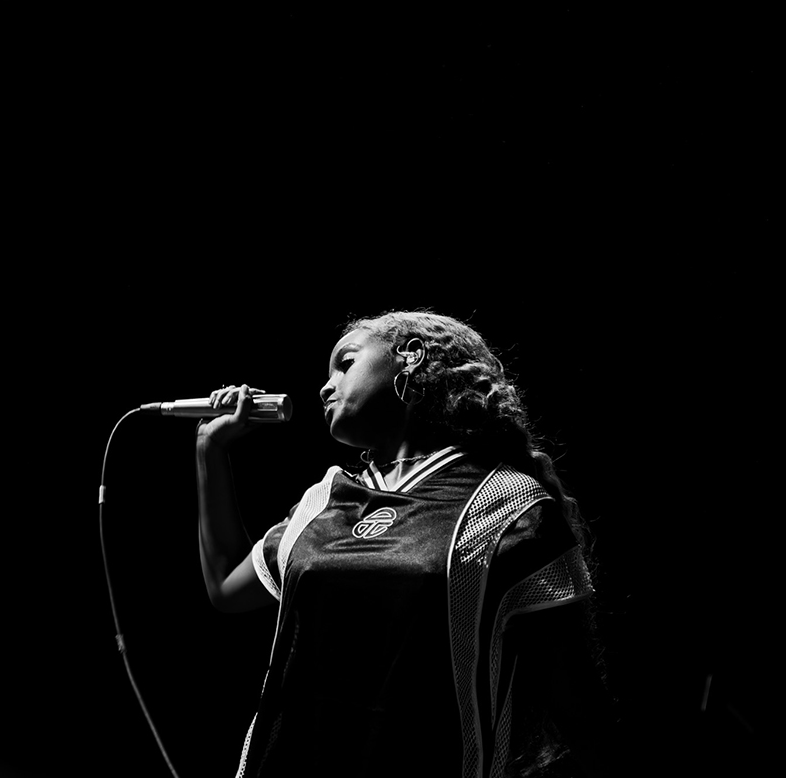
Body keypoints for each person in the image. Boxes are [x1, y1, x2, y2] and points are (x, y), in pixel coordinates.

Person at [196, 310, 621, 777]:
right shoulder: (322, 501)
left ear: (410, 357)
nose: (325, 386)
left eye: (346, 362)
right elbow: (224, 587)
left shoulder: (509, 503)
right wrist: (210, 451)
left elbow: (578, 708)